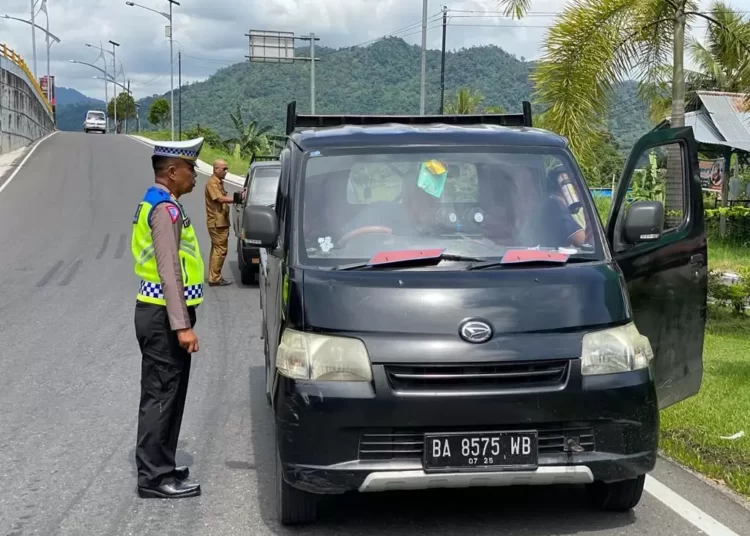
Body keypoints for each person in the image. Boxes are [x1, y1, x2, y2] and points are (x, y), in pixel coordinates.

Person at [131, 137, 206, 499]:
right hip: (163, 317)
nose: (195, 175)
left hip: (160, 314)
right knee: (161, 397)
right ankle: (154, 478)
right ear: (172, 172)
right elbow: (169, 271)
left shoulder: (161, 203)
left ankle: (164, 464)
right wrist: (183, 326)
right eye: (191, 169)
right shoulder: (164, 209)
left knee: (169, 394)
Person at [204, 159, 242, 286]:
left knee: (217, 249)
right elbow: (219, 198)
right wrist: (238, 198)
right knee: (220, 250)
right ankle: (215, 278)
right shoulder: (212, 183)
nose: (226, 171)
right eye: (224, 169)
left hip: (220, 221)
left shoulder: (218, 182)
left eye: (227, 168)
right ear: (216, 169)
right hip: (217, 222)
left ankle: (213, 276)